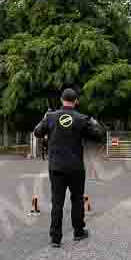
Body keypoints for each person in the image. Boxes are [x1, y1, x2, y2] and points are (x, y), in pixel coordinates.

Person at [34, 88, 105, 248]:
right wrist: (94, 122)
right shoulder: (81, 119)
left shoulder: (51, 117)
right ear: (76, 101)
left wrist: (43, 119)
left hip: (56, 166)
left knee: (57, 202)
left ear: (61, 100)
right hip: (75, 167)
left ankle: (55, 239)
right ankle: (79, 232)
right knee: (77, 200)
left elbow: (37, 133)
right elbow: (99, 135)